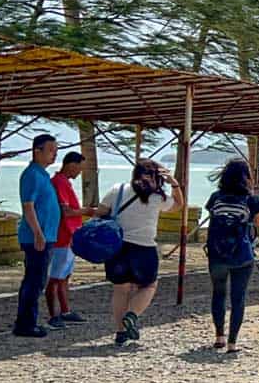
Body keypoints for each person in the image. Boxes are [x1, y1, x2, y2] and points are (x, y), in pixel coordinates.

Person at [97, 159, 183, 347]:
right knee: (149, 286)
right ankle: (132, 314)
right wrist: (173, 183)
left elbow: (101, 212)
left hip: (118, 248)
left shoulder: (117, 189)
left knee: (121, 289)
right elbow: (178, 205)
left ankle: (120, 332)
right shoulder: (156, 198)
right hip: (144, 248)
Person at [205, 158, 259, 353]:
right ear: (246, 177)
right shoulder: (251, 200)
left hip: (217, 254)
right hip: (242, 254)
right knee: (238, 298)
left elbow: (213, 219)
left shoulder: (215, 197)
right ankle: (232, 343)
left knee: (218, 293)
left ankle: (219, 336)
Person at [14, 134, 61, 338]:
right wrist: (38, 233)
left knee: (36, 280)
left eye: (56, 150)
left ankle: (28, 321)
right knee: (34, 281)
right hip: (37, 237)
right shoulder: (32, 174)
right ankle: (25, 324)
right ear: (37, 151)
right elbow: (28, 206)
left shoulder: (42, 175)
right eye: (50, 150)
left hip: (47, 235)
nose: (54, 154)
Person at [45, 152, 95, 329]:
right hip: (61, 236)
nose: (80, 172)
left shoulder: (64, 182)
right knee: (55, 277)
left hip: (69, 236)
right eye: (79, 168)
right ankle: (53, 315)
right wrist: (87, 211)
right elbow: (65, 211)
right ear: (71, 165)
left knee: (64, 276)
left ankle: (65, 311)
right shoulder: (59, 182)